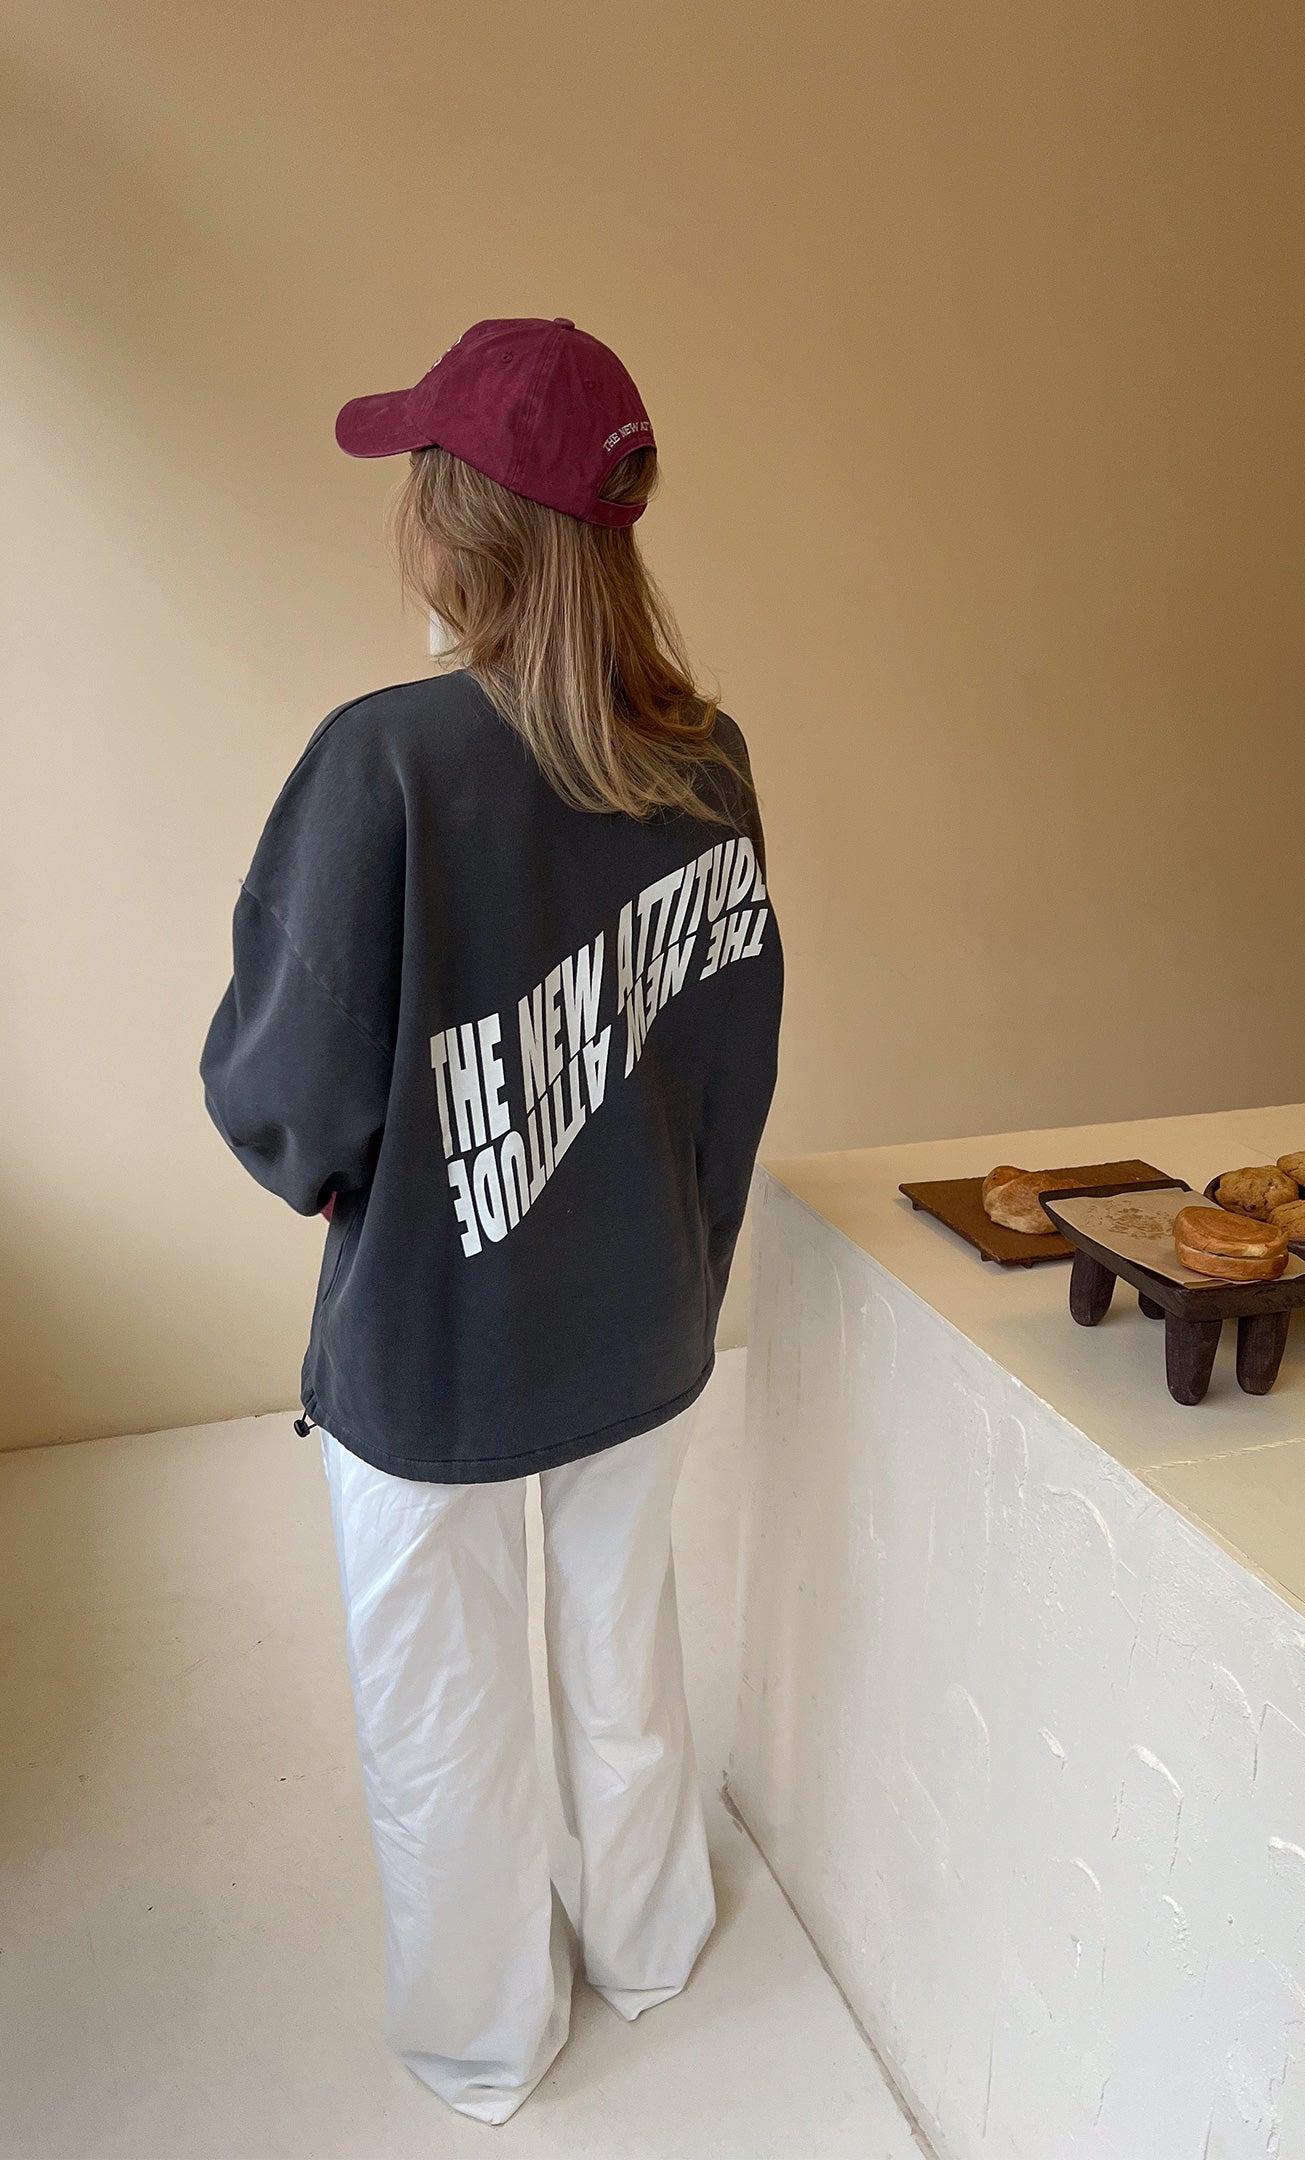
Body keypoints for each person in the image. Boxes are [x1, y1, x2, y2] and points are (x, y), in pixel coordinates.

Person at [199, 317, 783, 2122]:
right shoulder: (709, 761)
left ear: (458, 528)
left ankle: (485, 2041)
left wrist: (344, 1177)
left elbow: (281, 1092)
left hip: (435, 1332)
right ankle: (653, 1943)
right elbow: (734, 1055)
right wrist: (679, 1253)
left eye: (416, 487)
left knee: (441, 1703)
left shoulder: (383, 765)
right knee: (624, 1642)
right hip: (643, 1305)